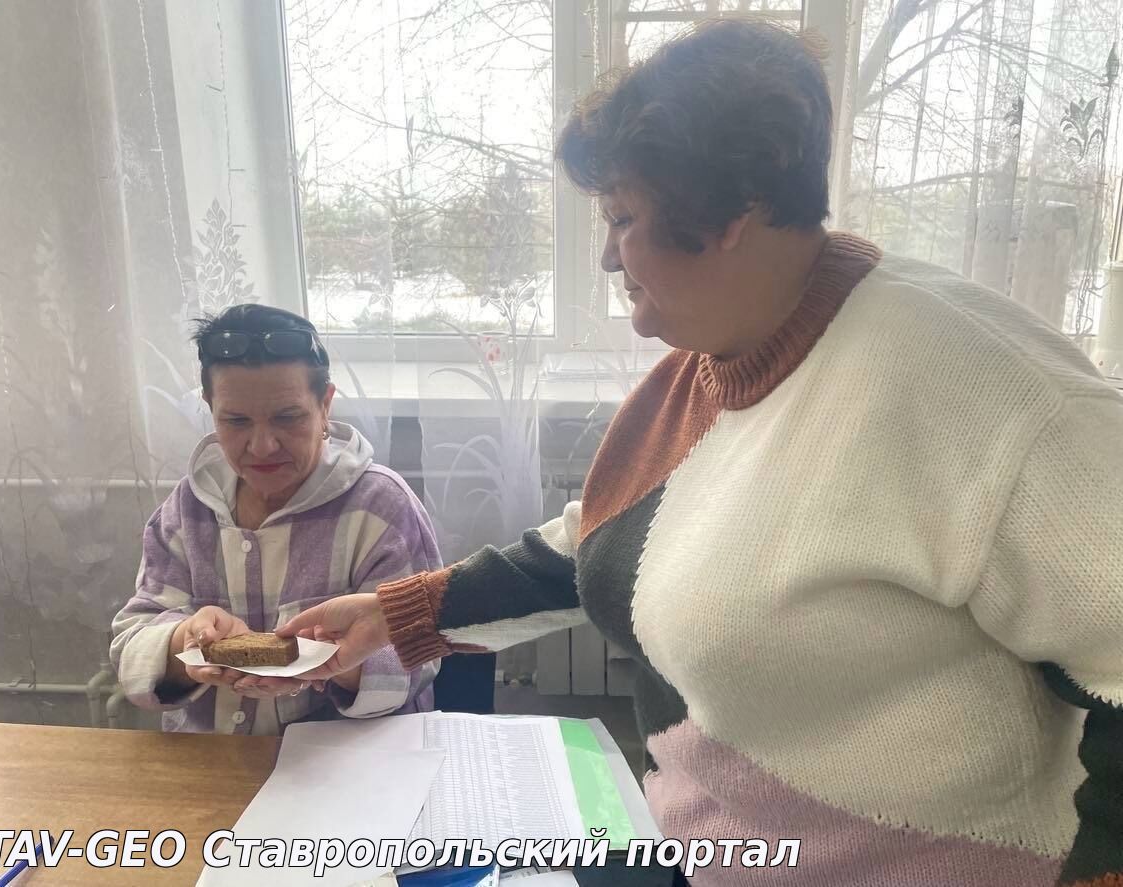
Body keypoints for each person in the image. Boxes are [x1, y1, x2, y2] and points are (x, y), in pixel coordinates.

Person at [278, 19, 1123, 887]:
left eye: (622, 217)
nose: (606, 257)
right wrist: (393, 616)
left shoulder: (987, 392)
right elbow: (602, 542)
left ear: (731, 212)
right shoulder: (709, 366)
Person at [111, 304, 440, 735]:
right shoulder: (188, 508)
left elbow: (419, 658)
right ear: (210, 407)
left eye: (288, 417)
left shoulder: (381, 508)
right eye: (236, 421)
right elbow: (131, 646)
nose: (262, 446)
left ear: (325, 405)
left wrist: (333, 661)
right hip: (211, 760)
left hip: (341, 760)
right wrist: (186, 639)